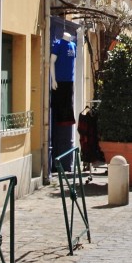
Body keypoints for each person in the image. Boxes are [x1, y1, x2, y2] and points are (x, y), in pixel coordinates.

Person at [50, 31, 76, 171]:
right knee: (58, 108)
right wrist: (53, 79)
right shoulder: (59, 44)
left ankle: (66, 158)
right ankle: (57, 157)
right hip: (59, 81)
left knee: (68, 109)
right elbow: (52, 62)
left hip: (69, 81)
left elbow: (72, 64)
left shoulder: (73, 45)